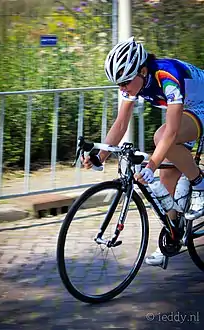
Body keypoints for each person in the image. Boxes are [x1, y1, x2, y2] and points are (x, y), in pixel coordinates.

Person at [82, 36, 204, 267]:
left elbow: (171, 131)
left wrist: (151, 165)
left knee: (160, 137)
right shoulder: (133, 83)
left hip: (201, 105)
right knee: (167, 179)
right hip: (186, 111)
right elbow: (120, 125)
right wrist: (100, 156)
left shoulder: (167, 77)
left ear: (142, 71)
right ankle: (172, 237)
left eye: (125, 82)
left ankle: (199, 182)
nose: (123, 88)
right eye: (118, 84)